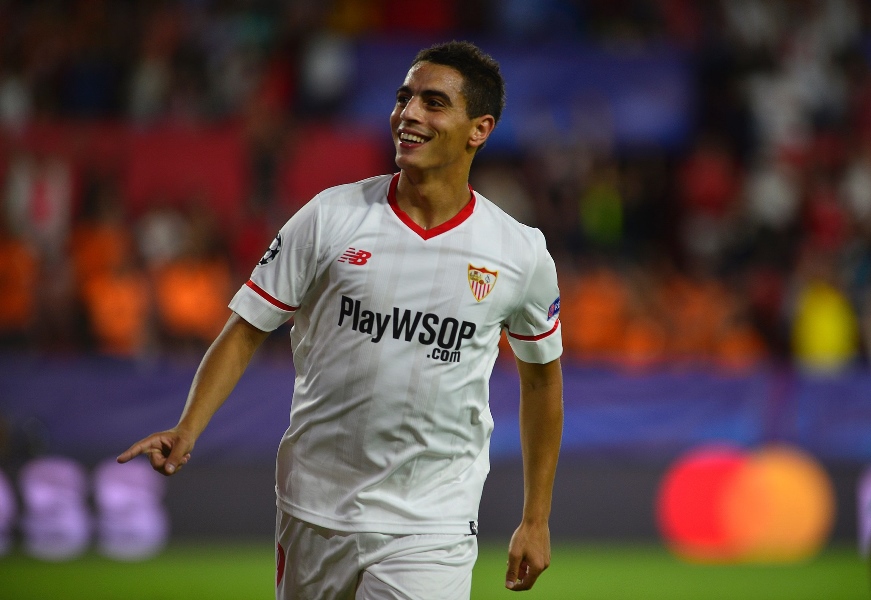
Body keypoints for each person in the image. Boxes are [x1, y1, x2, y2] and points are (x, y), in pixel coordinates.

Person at [118, 40, 563, 599]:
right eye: (404, 99)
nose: (409, 115)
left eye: (433, 102)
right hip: (314, 506)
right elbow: (245, 330)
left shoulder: (518, 253)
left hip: (432, 520)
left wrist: (536, 518)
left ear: (479, 129)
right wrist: (188, 428)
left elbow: (543, 378)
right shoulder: (331, 217)